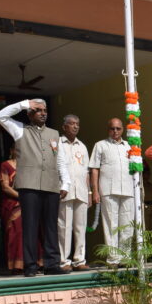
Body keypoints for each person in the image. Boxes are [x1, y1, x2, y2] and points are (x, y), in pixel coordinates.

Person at [0, 98, 69, 277]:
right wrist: (25, 103)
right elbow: (0, 116)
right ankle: (30, 266)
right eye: (38, 110)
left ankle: (52, 264)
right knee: (30, 225)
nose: (43, 113)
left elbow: (60, 160)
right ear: (29, 114)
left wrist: (65, 182)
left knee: (51, 226)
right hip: (29, 184)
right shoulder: (20, 129)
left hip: (51, 184)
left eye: (44, 110)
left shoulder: (54, 133)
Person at [89, 118, 135, 263]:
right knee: (111, 225)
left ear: (123, 130)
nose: (115, 131)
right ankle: (114, 259)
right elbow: (94, 169)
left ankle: (125, 258)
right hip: (108, 190)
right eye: (112, 128)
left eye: (118, 128)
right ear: (108, 130)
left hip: (128, 190)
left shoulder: (130, 147)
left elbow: (136, 170)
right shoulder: (100, 145)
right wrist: (94, 191)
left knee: (127, 225)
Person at [58, 114, 90, 271]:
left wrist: (90, 193)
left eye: (77, 124)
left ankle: (79, 260)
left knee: (80, 227)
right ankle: (64, 261)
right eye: (71, 124)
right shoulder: (58, 144)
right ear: (64, 127)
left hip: (82, 192)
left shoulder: (82, 146)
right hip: (65, 192)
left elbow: (86, 172)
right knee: (64, 226)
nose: (75, 126)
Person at [0, 147, 26, 273]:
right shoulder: (5, 165)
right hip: (12, 204)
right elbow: (5, 187)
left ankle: (32, 263)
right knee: (16, 232)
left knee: (32, 232)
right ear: (12, 149)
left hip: (28, 204)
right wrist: (22, 197)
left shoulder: (28, 166)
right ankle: (16, 265)